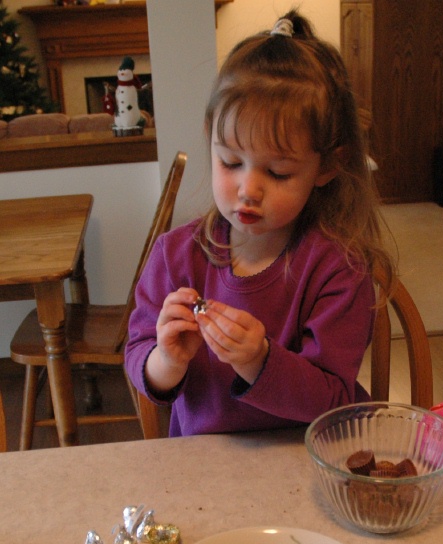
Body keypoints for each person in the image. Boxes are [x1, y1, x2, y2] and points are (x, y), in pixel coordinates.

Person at [125, 10, 396, 436]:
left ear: (325, 167)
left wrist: (258, 361)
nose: (248, 189)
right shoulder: (176, 255)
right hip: (204, 469)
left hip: (307, 460)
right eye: (230, 162)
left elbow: (334, 400)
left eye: (278, 172)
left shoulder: (339, 267)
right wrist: (167, 360)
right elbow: (140, 359)